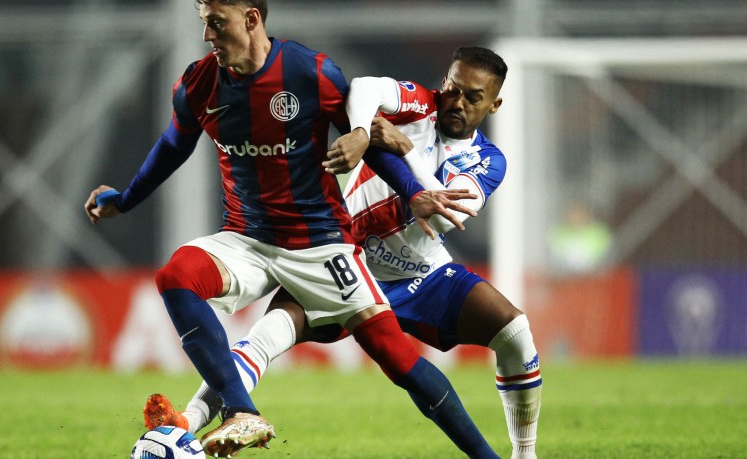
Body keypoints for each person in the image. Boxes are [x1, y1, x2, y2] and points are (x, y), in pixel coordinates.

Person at [84, 1, 497, 457]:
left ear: (251, 19)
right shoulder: (198, 83)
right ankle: (242, 412)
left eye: (216, 23)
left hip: (320, 243)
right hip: (246, 237)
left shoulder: (309, 72)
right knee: (176, 276)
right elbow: (172, 146)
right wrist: (124, 200)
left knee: (397, 359)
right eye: (205, 24)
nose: (207, 36)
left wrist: (412, 191)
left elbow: (368, 140)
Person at [172, 46, 543, 459]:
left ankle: (524, 455)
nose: (456, 102)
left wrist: (405, 151)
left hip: (423, 275)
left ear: (494, 104)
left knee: (514, 331)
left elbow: (443, 217)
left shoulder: (488, 160)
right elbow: (364, 88)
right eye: (452, 89)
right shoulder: (419, 104)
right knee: (266, 336)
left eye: (472, 97)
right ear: (444, 82)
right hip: (344, 261)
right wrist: (364, 131)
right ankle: (184, 424)